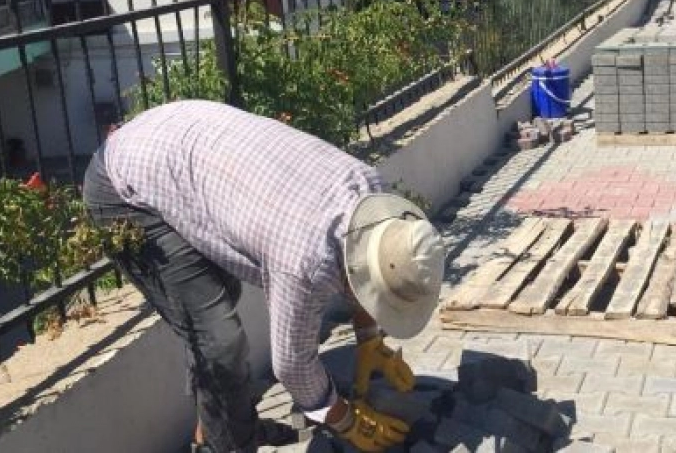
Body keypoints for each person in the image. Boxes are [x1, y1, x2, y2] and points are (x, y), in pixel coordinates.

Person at [82, 100, 445, 453]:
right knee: (218, 337)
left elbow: (363, 269)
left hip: (178, 147)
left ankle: (219, 428)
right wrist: (348, 422)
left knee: (217, 304)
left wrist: (369, 338)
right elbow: (293, 367)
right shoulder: (306, 261)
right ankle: (229, 444)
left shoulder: (374, 198)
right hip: (123, 184)